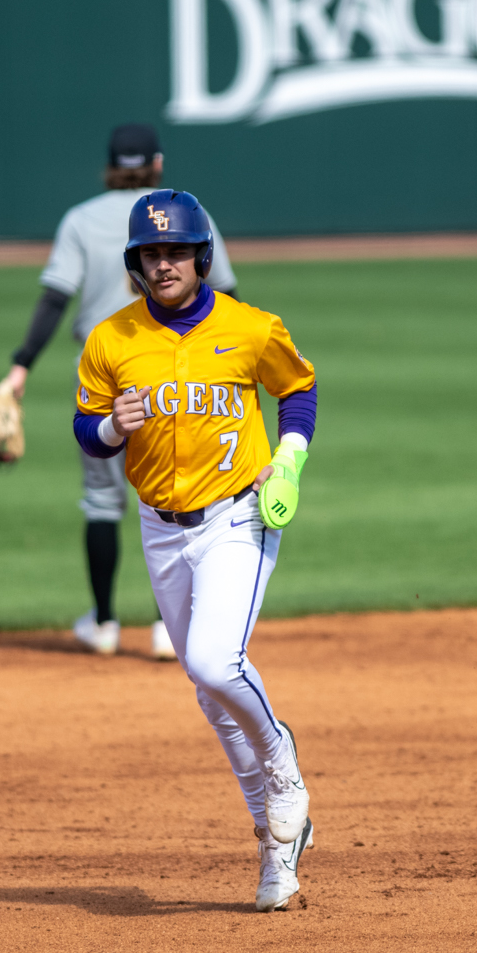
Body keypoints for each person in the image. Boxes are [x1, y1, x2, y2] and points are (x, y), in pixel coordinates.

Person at [73, 190, 317, 912]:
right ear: (136, 264)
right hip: (160, 527)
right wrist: (111, 429)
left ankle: (283, 761)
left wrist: (292, 458)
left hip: (240, 516)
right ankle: (276, 850)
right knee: (209, 695)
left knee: (217, 663)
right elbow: (87, 429)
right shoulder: (111, 339)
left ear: (201, 256)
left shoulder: (249, 328)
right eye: (152, 253)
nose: (165, 262)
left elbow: (297, 388)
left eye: (176, 250)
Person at [0, 123, 240, 659]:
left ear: (109, 165)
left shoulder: (81, 219)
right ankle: (164, 627)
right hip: (182, 374)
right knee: (178, 491)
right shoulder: (189, 216)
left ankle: (105, 623)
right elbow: (227, 298)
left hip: (102, 372)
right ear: (156, 163)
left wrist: (19, 370)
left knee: (104, 501)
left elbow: (55, 300)